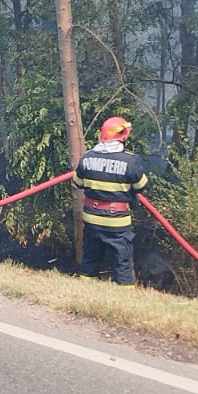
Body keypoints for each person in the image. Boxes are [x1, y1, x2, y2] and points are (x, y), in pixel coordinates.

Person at [72, 116, 149, 285]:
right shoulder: (129, 161)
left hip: (91, 219)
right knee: (122, 263)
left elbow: (77, 183)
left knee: (90, 259)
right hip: (117, 223)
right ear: (123, 137)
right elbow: (141, 186)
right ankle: (124, 296)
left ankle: (85, 289)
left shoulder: (87, 157)